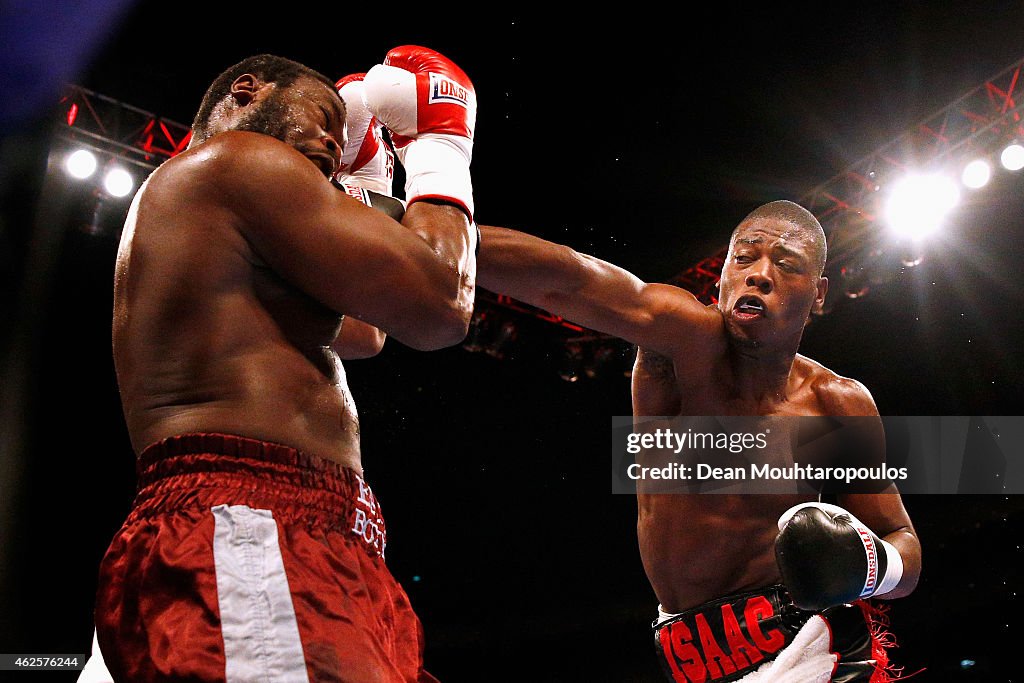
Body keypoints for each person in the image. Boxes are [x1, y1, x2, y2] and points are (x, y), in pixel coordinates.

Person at [82, 47, 478, 683]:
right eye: (322, 118)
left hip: (283, 529)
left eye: (341, 134)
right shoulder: (240, 162)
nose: (331, 140)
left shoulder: (209, 206)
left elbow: (363, 332)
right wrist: (441, 144)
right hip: (250, 522)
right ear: (247, 91)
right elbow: (438, 306)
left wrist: (370, 188)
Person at [476, 201, 922, 682]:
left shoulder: (836, 404)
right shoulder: (684, 343)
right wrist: (445, 236)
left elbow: (904, 545)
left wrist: (869, 564)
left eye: (785, 263)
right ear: (723, 276)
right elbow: (572, 279)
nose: (759, 275)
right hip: (693, 657)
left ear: (819, 293)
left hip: (808, 648)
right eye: (744, 258)